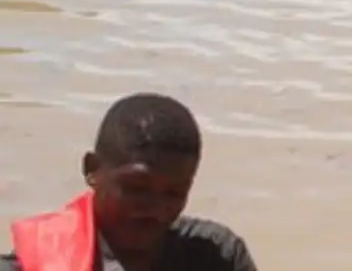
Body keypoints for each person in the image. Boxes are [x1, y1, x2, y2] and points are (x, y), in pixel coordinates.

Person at [3, 93, 257, 271]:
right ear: (92, 170)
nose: (157, 211)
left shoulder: (215, 257)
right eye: (137, 189)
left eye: (174, 193)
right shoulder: (32, 265)